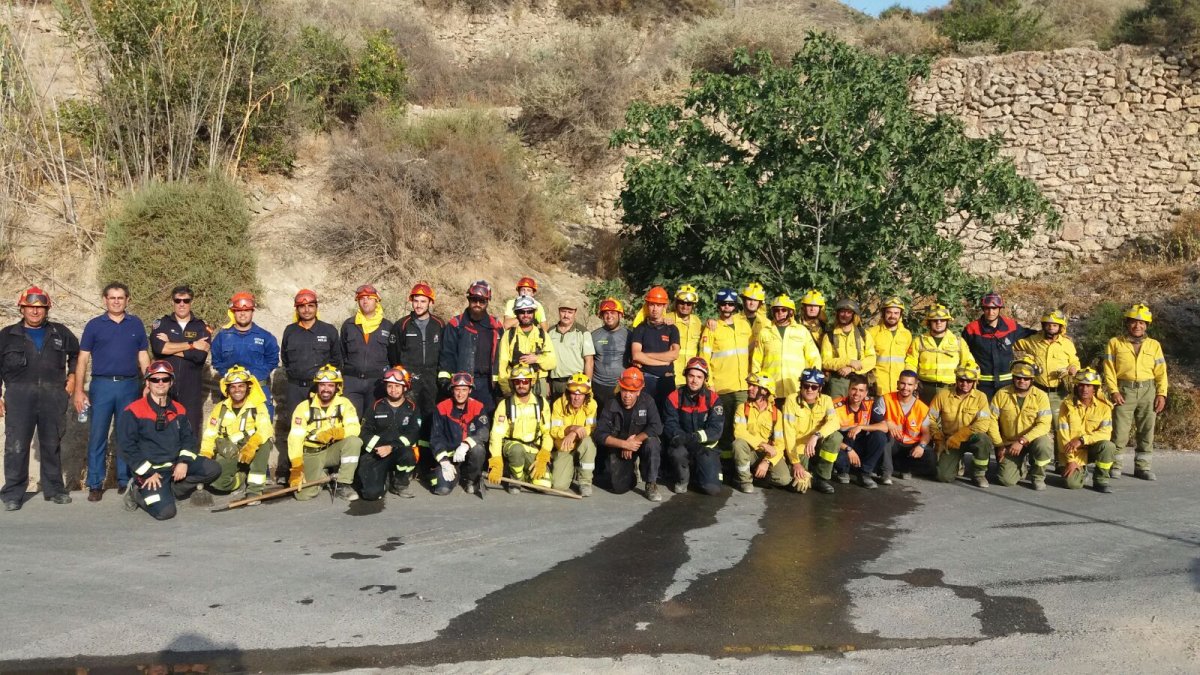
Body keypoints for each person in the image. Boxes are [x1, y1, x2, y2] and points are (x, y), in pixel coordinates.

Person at [0, 287, 79, 510]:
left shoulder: (60, 332)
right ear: (22, 308)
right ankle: (13, 493)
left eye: (40, 308)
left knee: (51, 443)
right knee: (16, 445)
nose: (35, 312)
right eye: (31, 307)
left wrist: (73, 376)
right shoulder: (6, 335)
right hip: (18, 396)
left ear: (47, 309)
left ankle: (54, 489)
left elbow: (76, 354)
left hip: (53, 395)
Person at [75, 282, 151, 502]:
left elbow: (143, 356)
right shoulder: (94, 326)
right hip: (102, 386)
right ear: (104, 300)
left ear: (128, 300)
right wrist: (79, 391)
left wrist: (148, 382)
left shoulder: (135, 324)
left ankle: (124, 480)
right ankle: (95, 483)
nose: (116, 301)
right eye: (112, 297)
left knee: (126, 434)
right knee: (98, 435)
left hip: (129, 385)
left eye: (120, 297)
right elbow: (82, 358)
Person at [118, 361, 220, 520]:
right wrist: (148, 473)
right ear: (147, 382)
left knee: (213, 469)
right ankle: (137, 492)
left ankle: (169, 490)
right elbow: (127, 447)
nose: (160, 383)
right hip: (151, 472)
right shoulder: (133, 411)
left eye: (165, 379)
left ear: (171, 382)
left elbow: (188, 439)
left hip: (174, 466)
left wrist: (184, 462)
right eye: (155, 379)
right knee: (165, 513)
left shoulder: (179, 409)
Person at [279, 289, 342, 484]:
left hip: (320, 390)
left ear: (316, 307)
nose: (306, 310)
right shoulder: (290, 330)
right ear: (297, 309)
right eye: (302, 306)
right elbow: (285, 358)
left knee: (325, 426)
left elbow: (337, 360)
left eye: (310, 306)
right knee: (296, 428)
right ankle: (295, 468)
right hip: (295, 388)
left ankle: (328, 469)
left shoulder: (329, 330)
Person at [1102, 303, 1168, 481]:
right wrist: (1114, 391)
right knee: (1119, 432)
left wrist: (1161, 394)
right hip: (1124, 390)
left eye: (1141, 323)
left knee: (1147, 431)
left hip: (1148, 391)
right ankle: (1115, 466)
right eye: (1133, 322)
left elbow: (1161, 372)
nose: (1137, 326)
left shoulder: (1154, 345)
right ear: (1127, 323)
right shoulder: (1115, 343)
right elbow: (1109, 370)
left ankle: (1143, 467)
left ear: (1147, 325)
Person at [386, 282, 445, 476]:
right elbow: (394, 356)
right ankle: (407, 462)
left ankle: (427, 463)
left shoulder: (440, 325)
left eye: (423, 301)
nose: (419, 305)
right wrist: (404, 376)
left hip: (431, 379)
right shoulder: (401, 325)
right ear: (411, 302)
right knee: (408, 420)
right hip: (410, 379)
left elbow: (445, 352)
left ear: (430, 303)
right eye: (416, 301)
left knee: (429, 420)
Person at [286, 365, 363, 502]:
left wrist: (337, 432)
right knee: (302, 495)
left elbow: (354, 427)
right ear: (317, 386)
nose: (326, 389)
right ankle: (323, 475)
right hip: (311, 453)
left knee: (354, 442)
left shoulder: (344, 404)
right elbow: (295, 438)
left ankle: (343, 484)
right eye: (322, 385)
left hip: (332, 450)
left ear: (337, 387)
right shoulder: (303, 407)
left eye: (330, 385)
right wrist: (297, 466)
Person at [198, 366, 273, 501]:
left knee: (265, 443)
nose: (237, 390)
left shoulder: (257, 406)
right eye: (233, 387)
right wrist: (205, 455)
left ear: (248, 387)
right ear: (227, 389)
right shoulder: (220, 408)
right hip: (229, 450)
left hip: (250, 447)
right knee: (217, 483)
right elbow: (210, 433)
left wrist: (252, 446)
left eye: (241, 386)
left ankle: (254, 490)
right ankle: (241, 478)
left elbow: (265, 428)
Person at [699, 288, 752, 471]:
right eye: (723, 304)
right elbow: (704, 358)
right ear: (719, 306)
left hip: (743, 387)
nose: (727, 307)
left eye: (730, 304)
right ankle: (725, 466)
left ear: (735, 306)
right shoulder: (712, 327)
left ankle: (741, 467)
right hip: (721, 388)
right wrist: (709, 384)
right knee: (723, 429)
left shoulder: (744, 325)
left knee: (742, 428)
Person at [593, 367, 664, 501]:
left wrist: (635, 440)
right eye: (624, 389)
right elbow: (599, 434)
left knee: (653, 442)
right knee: (618, 488)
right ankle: (632, 472)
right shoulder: (611, 403)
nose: (627, 395)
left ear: (639, 391)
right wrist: (625, 444)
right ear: (620, 387)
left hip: (640, 444)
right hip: (620, 447)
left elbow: (656, 426)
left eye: (632, 391)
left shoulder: (648, 401)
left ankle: (651, 484)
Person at [149, 285, 211, 437]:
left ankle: (187, 461)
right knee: (161, 430)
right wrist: (191, 345)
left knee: (189, 431)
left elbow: (199, 356)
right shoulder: (161, 323)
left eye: (186, 300)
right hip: (163, 385)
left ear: (191, 302)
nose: (181, 304)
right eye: (178, 300)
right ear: (173, 302)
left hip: (191, 388)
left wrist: (171, 345)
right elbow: (159, 349)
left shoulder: (201, 326)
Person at [1014, 310, 1079, 451]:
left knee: (1060, 427)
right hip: (1036, 391)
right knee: (1031, 424)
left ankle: (1060, 461)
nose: (1051, 328)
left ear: (1061, 327)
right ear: (1043, 325)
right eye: (1048, 325)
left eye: (1055, 326)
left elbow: (1074, 360)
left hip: (1058, 393)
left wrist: (1073, 368)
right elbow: (1013, 344)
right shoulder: (1033, 340)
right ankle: (1030, 457)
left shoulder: (1067, 343)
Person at [928, 365, 1001, 487]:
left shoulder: (980, 397)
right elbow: (929, 419)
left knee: (984, 440)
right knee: (943, 477)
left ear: (975, 382)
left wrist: (961, 435)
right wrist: (938, 437)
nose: (965, 384)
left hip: (971, 438)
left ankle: (979, 474)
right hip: (950, 440)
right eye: (961, 380)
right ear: (956, 380)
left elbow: (983, 423)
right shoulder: (943, 395)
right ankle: (957, 463)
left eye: (969, 381)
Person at [356, 367, 422, 501]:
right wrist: (378, 447)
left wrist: (391, 447)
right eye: (390, 386)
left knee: (409, 454)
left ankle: (400, 484)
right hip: (377, 453)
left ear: (405, 387)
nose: (393, 389)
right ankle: (383, 478)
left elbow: (413, 434)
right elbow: (364, 431)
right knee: (371, 494)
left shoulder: (412, 408)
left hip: (399, 451)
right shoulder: (375, 406)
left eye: (398, 386)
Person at [662, 357, 725, 495]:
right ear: (685, 375)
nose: (694, 380)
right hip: (682, 445)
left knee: (712, 489)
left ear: (704, 379)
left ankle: (699, 473)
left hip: (705, 447)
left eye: (699, 377)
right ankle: (682, 479)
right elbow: (670, 425)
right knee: (677, 452)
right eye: (691, 376)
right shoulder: (674, 397)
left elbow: (715, 430)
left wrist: (694, 438)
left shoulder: (713, 399)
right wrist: (685, 439)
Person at [211, 292, 279, 418]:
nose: (243, 314)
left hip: (258, 390)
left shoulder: (265, 336)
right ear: (233, 312)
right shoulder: (222, 337)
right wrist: (228, 375)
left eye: (247, 310)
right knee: (229, 431)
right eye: (238, 311)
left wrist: (256, 376)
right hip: (232, 391)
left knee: (262, 432)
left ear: (252, 312)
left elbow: (273, 360)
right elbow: (216, 360)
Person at [990, 360, 1054, 490]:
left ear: (1032, 380)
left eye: (1026, 378)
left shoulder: (1041, 396)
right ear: (1013, 378)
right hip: (1009, 443)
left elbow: (1044, 424)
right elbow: (991, 421)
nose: (1022, 381)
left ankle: (1038, 477)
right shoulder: (1001, 394)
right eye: (1018, 378)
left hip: (1032, 441)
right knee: (1006, 480)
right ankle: (1020, 467)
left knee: (1044, 444)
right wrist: (999, 445)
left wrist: (1022, 440)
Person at [439, 280, 503, 410]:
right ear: (468, 299)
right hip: (463, 385)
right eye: (474, 300)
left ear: (487, 302)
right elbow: (447, 355)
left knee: (485, 424)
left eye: (482, 301)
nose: (478, 304)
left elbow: (502, 356)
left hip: (488, 386)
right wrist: (445, 382)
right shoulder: (456, 324)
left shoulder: (496, 326)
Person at [489, 365, 552, 494]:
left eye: (524, 381)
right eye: (517, 382)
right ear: (513, 384)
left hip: (533, 449)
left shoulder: (541, 403)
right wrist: (496, 462)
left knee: (544, 485)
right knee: (517, 450)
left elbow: (547, 432)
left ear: (531, 382)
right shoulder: (505, 405)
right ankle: (514, 477)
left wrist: (544, 455)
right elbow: (496, 435)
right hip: (513, 446)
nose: (521, 385)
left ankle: (522, 475)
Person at [732, 373, 801, 493]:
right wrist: (763, 444)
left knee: (784, 479)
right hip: (750, 452)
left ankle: (757, 476)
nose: (749, 388)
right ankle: (744, 480)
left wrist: (766, 461)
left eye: (754, 386)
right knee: (738, 444)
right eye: (749, 385)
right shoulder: (742, 408)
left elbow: (780, 444)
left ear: (764, 391)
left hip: (767, 454)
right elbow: (739, 432)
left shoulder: (776, 414)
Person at [961, 292, 1035, 399]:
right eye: (987, 308)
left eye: (994, 308)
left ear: (999, 309)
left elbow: (1032, 334)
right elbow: (961, 352)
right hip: (982, 386)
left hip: (1007, 385)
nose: (991, 312)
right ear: (983, 309)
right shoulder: (972, 329)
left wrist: (1054, 333)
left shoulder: (1010, 326)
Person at [750, 294, 822, 403]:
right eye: (776, 310)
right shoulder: (764, 332)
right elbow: (756, 361)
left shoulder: (801, 331)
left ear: (791, 312)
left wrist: (814, 381)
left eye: (783, 310)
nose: (780, 313)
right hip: (770, 389)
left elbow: (814, 357)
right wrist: (756, 385)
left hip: (796, 388)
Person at [781, 369, 842, 495]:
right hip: (797, 448)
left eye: (814, 387)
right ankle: (807, 475)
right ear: (801, 385)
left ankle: (821, 478)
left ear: (820, 388)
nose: (810, 390)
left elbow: (834, 422)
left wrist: (816, 436)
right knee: (800, 486)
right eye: (806, 385)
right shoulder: (791, 400)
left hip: (815, 443)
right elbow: (788, 433)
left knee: (836, 437)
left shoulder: (827, 400)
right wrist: (795, 462)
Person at [864, 370, 933, 481]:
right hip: (892, 443)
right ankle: (886, 473)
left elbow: (926, 434)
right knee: (881, 436)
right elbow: (876, 418)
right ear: (897, 383)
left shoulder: (922, 408)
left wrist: (921, 446)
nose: (905, 387)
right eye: (902, 383)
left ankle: (904, 467)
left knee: (930, 458)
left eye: (910, 384)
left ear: (915, 386)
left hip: (910, 446)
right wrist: (887, 422)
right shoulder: (885, 399)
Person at [1058, 368, 1117, 493]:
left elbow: (1105, 433)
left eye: (1089, 386)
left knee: (1108, 446)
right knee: (1072, 485)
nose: (1084, 389)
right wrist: (1071, 461)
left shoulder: (1104, 408)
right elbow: (1062, 436)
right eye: (1081, 385)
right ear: (1076, 387)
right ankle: (1081, 471)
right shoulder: (1066, 406)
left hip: (1092, 448)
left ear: (1095, 389)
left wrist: (1082, 439)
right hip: (1074, 452)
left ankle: (1101, 480)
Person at [430, 372, 490, 496]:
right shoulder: (442, 407)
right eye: (457, 389)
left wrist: (466, 444)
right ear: (452, 390)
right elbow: (436, 437)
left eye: (464, 389)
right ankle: (455, 475)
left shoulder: (477, 406)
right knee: (442, 490)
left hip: (468, 454)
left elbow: (483, 431)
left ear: (470, 391)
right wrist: (444, 461)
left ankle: (471, 480)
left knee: (478, 449)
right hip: (450, 457)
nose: (460, 393)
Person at [340, 284, 392, 418]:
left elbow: (393, 356)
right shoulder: (348, 325)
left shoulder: (388, 326)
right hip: (352, 383)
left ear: (377, 300)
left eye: (369, 298)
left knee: (374, 421)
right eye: (362, 298)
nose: (365, 301)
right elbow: (342, 353)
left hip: (377, 383)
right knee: (350, 420)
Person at [906, 304, 974, 405]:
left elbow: (969, 363)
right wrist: (911, 383)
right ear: (929, 322)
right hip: (924, 389)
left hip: (951, 389)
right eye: (935, 320)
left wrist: (965, 385)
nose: (939, 323)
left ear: (947, 322)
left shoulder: (958, 342)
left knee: (949, 418)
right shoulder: (919, 341)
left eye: (942, 320)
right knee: (925, 418)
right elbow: (910, 363)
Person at [830, 374, 888, 488]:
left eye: (861, 390)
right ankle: (842, 470)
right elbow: (828, 435)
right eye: (854, 389)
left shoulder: (870, 403)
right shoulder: (836, 406)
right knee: (835, 444)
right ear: (848, 390)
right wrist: (848, 449)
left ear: (866, 393)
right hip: (842, 445)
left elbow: (885, 427)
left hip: (860, 443)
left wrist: (861, 427)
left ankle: (864, 473)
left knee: (880, 436)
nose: (857, 394)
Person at [497, 295, 556, 398]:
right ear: (516, 314)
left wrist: (537, 359)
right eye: (522, 312)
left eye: (529, 311)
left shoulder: (542, 335)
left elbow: (552, 362)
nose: (526, 315)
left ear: (534, 313)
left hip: (538, 384)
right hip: (516, 383)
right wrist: (506, 389)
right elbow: (502, 363)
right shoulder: (509, 335)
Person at [629, 286, 680, 406]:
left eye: (659, 305)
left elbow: (674, 354)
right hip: (646, 379)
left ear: (665, 306)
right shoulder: (640, 329)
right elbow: (636, 355)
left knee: (667, 416)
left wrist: (646, 356)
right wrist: (663, 362)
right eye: (652, 304)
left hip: (666, 379)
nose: (655, 309)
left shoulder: (672, 329)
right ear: (647, 305)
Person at [548, 374, 598, 496]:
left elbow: (592, 428)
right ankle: (569, 470)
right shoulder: (558, 404)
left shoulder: (592, 405)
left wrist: (574, 432)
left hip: (582, 443)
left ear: (586, 395)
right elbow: (554, 430)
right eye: (573, 393)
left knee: (589, 443)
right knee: (559, 486)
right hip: (564, 446)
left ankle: (585, 482)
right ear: (568, 392)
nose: (576, 398)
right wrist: (569, 429)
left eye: (580, 394)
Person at [821, 299, 876, 399]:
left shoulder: (864, 335)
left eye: (848, 312)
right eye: (842, 311)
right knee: (837, 412)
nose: (845, 315)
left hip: (859, 381)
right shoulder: (829, 336)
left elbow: (872, 359)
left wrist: (851, 368)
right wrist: (849, 361)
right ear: (837, 314)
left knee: (858, 413)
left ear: (854, 315)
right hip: (838, 382)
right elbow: (825, 362)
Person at [546, 300, 594, 402]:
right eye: (563, 311)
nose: (566, 315)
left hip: (576, 383)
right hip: (555, 383)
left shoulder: (583, 332)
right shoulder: (550, 332)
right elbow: (546, 358)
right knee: (556, 415)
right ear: (559, 311)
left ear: (575, 313)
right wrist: (547, 382)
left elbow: (589, 361)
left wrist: (587, 385)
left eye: (570, 312)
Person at [590, 297, 629, 412]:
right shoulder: (594, 335)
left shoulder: (629, 335)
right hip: (598, 385)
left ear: (620, 315)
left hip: (620, 385)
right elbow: (589, 361)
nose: (609, 316)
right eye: (606, 313)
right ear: (601, 316)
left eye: (612, 312)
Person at [867, 296, 912, 396]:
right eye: (889, 312)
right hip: (878, 387)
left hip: (899, 388)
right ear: (883, 313)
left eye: (896, 313)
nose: (892, 316)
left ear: (900, 315)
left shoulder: (906, 334)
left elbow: (909, 360)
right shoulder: (872, 332)